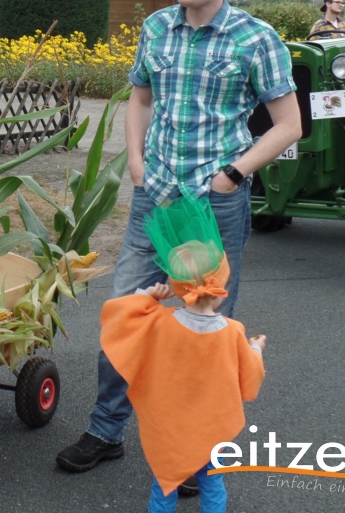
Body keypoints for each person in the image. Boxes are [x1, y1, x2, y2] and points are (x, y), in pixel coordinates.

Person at [56, 0, 301, 486]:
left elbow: (289, 124)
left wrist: (233, 175)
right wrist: (136, 163)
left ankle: (195, 451)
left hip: (216, 205)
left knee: (204, 330)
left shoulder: (255, 39)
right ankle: (106, 430)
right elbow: (140, 100)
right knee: (127, 313)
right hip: (156, 200)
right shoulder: (157, 28)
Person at [100, 197, 265, 513]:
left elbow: (122, 318)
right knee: (212, 485)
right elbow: (250, 375)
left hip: (170, 429)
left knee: (163, 487)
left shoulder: (160, 323)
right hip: (212, 428)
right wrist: (256, 347)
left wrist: (148, 295)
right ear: (221, 282)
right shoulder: (233, 332)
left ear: (177, 287)